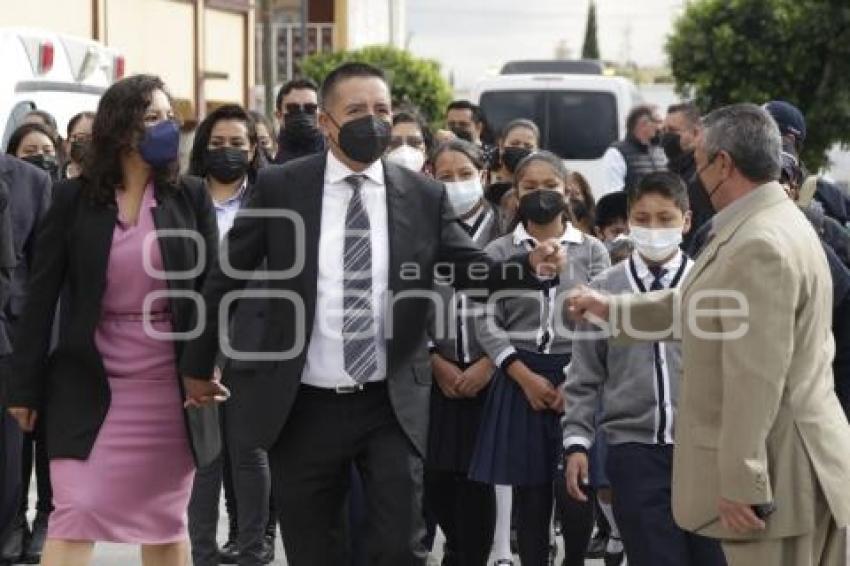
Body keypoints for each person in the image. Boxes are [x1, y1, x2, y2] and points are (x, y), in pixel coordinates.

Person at [177, 61, 566, 566]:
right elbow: (224, 279)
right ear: (325, 122)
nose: (373, 121)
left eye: (382, 109)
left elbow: (469, 269)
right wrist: (196, 367)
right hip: (302, 404)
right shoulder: (283, 187)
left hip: (390, 402)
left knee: (400, 546)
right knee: (316, 549)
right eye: (356, 110)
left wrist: (528, 267)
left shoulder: (421, 194)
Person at [569, 103, 850, 566]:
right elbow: (707, 306)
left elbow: (755, 374)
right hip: (791, 463)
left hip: (778, 474)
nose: (696, 179)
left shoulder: (759, 243)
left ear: (724, 164)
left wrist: (743, 481)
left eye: (698, 165)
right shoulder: (772, 222)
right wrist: (611, 309)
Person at [4, 74, 222, 566]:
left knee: (166, 523)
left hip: (169, 387)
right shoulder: (72, 199)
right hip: (86, 383)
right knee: (74, 510)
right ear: (122, 128)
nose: (167, 126)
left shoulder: (189, 196)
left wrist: (210, 366)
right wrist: (23, 389)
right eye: (153, 118)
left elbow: (213, 291)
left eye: (170, 117)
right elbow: (40, 299)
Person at [563, 171, 726, 566]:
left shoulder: (711, 285)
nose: (654, 228)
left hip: (705, 450)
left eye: (666, 218)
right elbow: (584, 377)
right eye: (643, 218)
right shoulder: (603, 289)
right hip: (634, 452)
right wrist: (577, 442)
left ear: (686, 221)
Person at [468, 151, 610, 566]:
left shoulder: (592, 251)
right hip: (519, 374)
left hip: (576, 378)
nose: (541, 195)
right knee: (530, 499)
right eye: (529, 187)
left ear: (567, 191)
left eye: (550, 186)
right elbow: (485, 318)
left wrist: (574, 380)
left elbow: (599, 319)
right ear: (514, 194)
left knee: (576, 494)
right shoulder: (497, 251)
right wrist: (521, 375)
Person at [186, 104, 277, 566]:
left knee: (249, 449)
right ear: (203, 147)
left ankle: (253, 545)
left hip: (255, 340)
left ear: (255, 148)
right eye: (218, 143)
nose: (228, 151)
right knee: (206, 454)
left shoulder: (269, 200)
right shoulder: (184, 198)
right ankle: (203, 548)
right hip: (196, 338)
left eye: (238, 143)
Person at [425, 140, 501, 566]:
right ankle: (457, 546)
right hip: (438, 372)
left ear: (484, 176)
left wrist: (492, 363)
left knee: (478, 481)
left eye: (465, 174)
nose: (456, 185)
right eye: (445, 176)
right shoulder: (419, 230)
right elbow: (402, 302)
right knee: (437, 477)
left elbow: (525, 308)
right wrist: (434, 360)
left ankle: (469, 555)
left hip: (494, 373)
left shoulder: (506, 231)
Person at [0, 133, 52, 566]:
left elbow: (43, 271)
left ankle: (10, 528)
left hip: (11, 334)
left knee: (11, 447)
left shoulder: (32, 182)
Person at [764, 100, 850, 228]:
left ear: (787, 140)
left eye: (761, 132)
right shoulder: (742, 181)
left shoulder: (827, 195)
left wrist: (822, 229)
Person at [661, 102, 714, 251]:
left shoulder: (701, 175)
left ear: (696, 133)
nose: (666, 136)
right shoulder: (675, 170)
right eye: (664, 130)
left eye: (672, 130)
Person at [601, 104, 666, 196]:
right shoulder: (616, 153)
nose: (663, 127)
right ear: (643, 124)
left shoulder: (661, 152)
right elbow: (614, 193)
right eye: (659, 122)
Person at [274, 78, 324, 164]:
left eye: (310, 108)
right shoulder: (268, 163)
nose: (301, 113)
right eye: (293, 108)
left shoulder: (336, 161)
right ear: (279, 116)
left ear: (321, 115)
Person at [63, 111, 95, 180]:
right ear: (67, 143)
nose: (88, 144)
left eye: (95, 139)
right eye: (81, 138)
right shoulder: (50, 180)